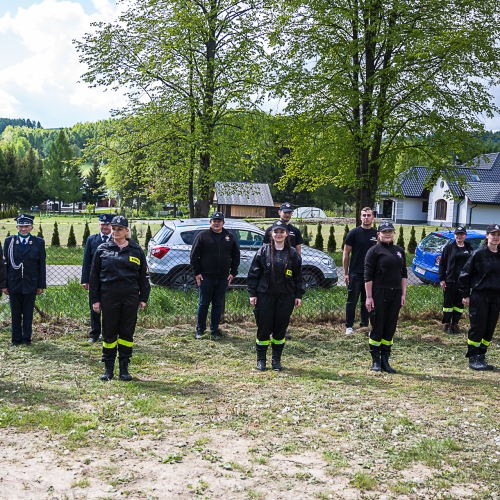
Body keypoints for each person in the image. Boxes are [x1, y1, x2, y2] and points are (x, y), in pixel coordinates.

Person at [89, 215, 150, 381]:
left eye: (119, 229)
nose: (116, 232)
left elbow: (143, 277)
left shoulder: (136, 250)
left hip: (130, 297)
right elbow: (93, 277)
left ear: (126, 231)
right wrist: (95, 299)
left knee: (126, 332)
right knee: (109, 332)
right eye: (114, 228)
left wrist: (143, 297)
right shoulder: (103, 249)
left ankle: (124, 369)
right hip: (109, 297)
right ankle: (108, 369)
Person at [248, 220, 305, 371]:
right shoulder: (263, 251)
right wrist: (252, 294)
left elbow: (298, 277)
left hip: (286, 296)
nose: (278, 234)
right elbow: (253, 274)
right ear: (271, 234)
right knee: (264, 327)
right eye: (276, 232)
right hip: (265, 295)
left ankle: (276, 361)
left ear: (287, 234)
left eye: (282, 232)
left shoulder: (293, 253)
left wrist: (298, 295)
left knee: (280, 328)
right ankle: (261, 360)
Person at [364, 221, 407, 373]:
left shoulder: (399, 251)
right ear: (379, 234)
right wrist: (369, 297)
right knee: (378, 326)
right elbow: (368, 276)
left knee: (390, 327)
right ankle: (375, 361)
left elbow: (404, 275)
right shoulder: (374, 251)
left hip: (395, 293)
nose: (388, 234)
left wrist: (403, 294)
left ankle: (385, 361)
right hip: (378, 292)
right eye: (385, 231)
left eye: (390, 231)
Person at [190, 212, 240, 339]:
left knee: (217, 304)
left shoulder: (230, 237)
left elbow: (236, 256)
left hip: (223, 278)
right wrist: (197, 273)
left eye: (219, 221)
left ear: (223, 222)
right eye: (214, 220)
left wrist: (233, 273)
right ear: (210, 222)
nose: (216, 223)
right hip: (205, 277)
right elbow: (194, 256)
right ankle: (200, 329)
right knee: (204, 303)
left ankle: (215, 329)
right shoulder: (203, 236)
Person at [458, 223, 500, 371]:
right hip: (479, 296)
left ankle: (482, 356)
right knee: (478, 327)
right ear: (486, 236)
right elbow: (464, 275)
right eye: (493, 234)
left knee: (489, 328)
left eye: (498, 235)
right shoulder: (478, 253)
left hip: (495, 297)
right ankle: (473, 358)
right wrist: (465, 295)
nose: (496, 237)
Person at [2, 214, 46, 348]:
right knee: (15, 313)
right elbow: (5, 265)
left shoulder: (38, 242)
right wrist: (4, 285)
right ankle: (15, 340)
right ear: (16, 227)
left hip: (31, 283)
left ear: (32, 227)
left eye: (27, 226)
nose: (24, 229)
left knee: (28, 313)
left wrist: (41, 285)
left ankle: (26, 339)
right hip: (13, 283)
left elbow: (41, 266)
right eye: (21, 226)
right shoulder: (9, 241)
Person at [263, 201, 303, 340]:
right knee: (270, 305)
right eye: (284, 212)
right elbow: (264, 250)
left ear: (291, 214)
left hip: (288, 272)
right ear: (279, 212)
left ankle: (281, 330)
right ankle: (268, 329)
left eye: (289, 212)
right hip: (272, 273)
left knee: (284, 305)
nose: (287, 214)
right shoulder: (270, 230)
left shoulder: (295, 231)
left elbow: (298, 252)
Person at [343, 207, 378, 335]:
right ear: (360, 217)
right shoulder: (353, 233)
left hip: (371, 274)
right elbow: (346, 254)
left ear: (373, 217)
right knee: (352, 300)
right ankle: (349, 326)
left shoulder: (377, 234)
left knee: (367, 300)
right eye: (364, 215)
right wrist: (346, 273)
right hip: (355, 272)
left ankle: (364, 324)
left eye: (369, 215)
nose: (366, 217)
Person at [81, 213, 114, 343]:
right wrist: (85, 279)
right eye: (102, 224)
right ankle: (94, 333)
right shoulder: (92, 240)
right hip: (95, 281)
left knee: (110, 308)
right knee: (94, 308)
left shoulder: (116, 240)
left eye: (107, 224)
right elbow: (86, 261)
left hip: (111, 281)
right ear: (99, 225)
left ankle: (108, 333)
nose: (105, 227)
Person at [438, 226, 473, 335]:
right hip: (450, 280)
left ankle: (455, 324)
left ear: (465, 236)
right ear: (454, 236)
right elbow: (442, 264)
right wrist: (442, 279)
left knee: (459, 304)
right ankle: (447, 325)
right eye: (457, 234)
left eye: (462, 234)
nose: (459, 236)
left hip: (464, 282)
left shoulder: (469, 248)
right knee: (448, 303)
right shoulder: (449, 248)